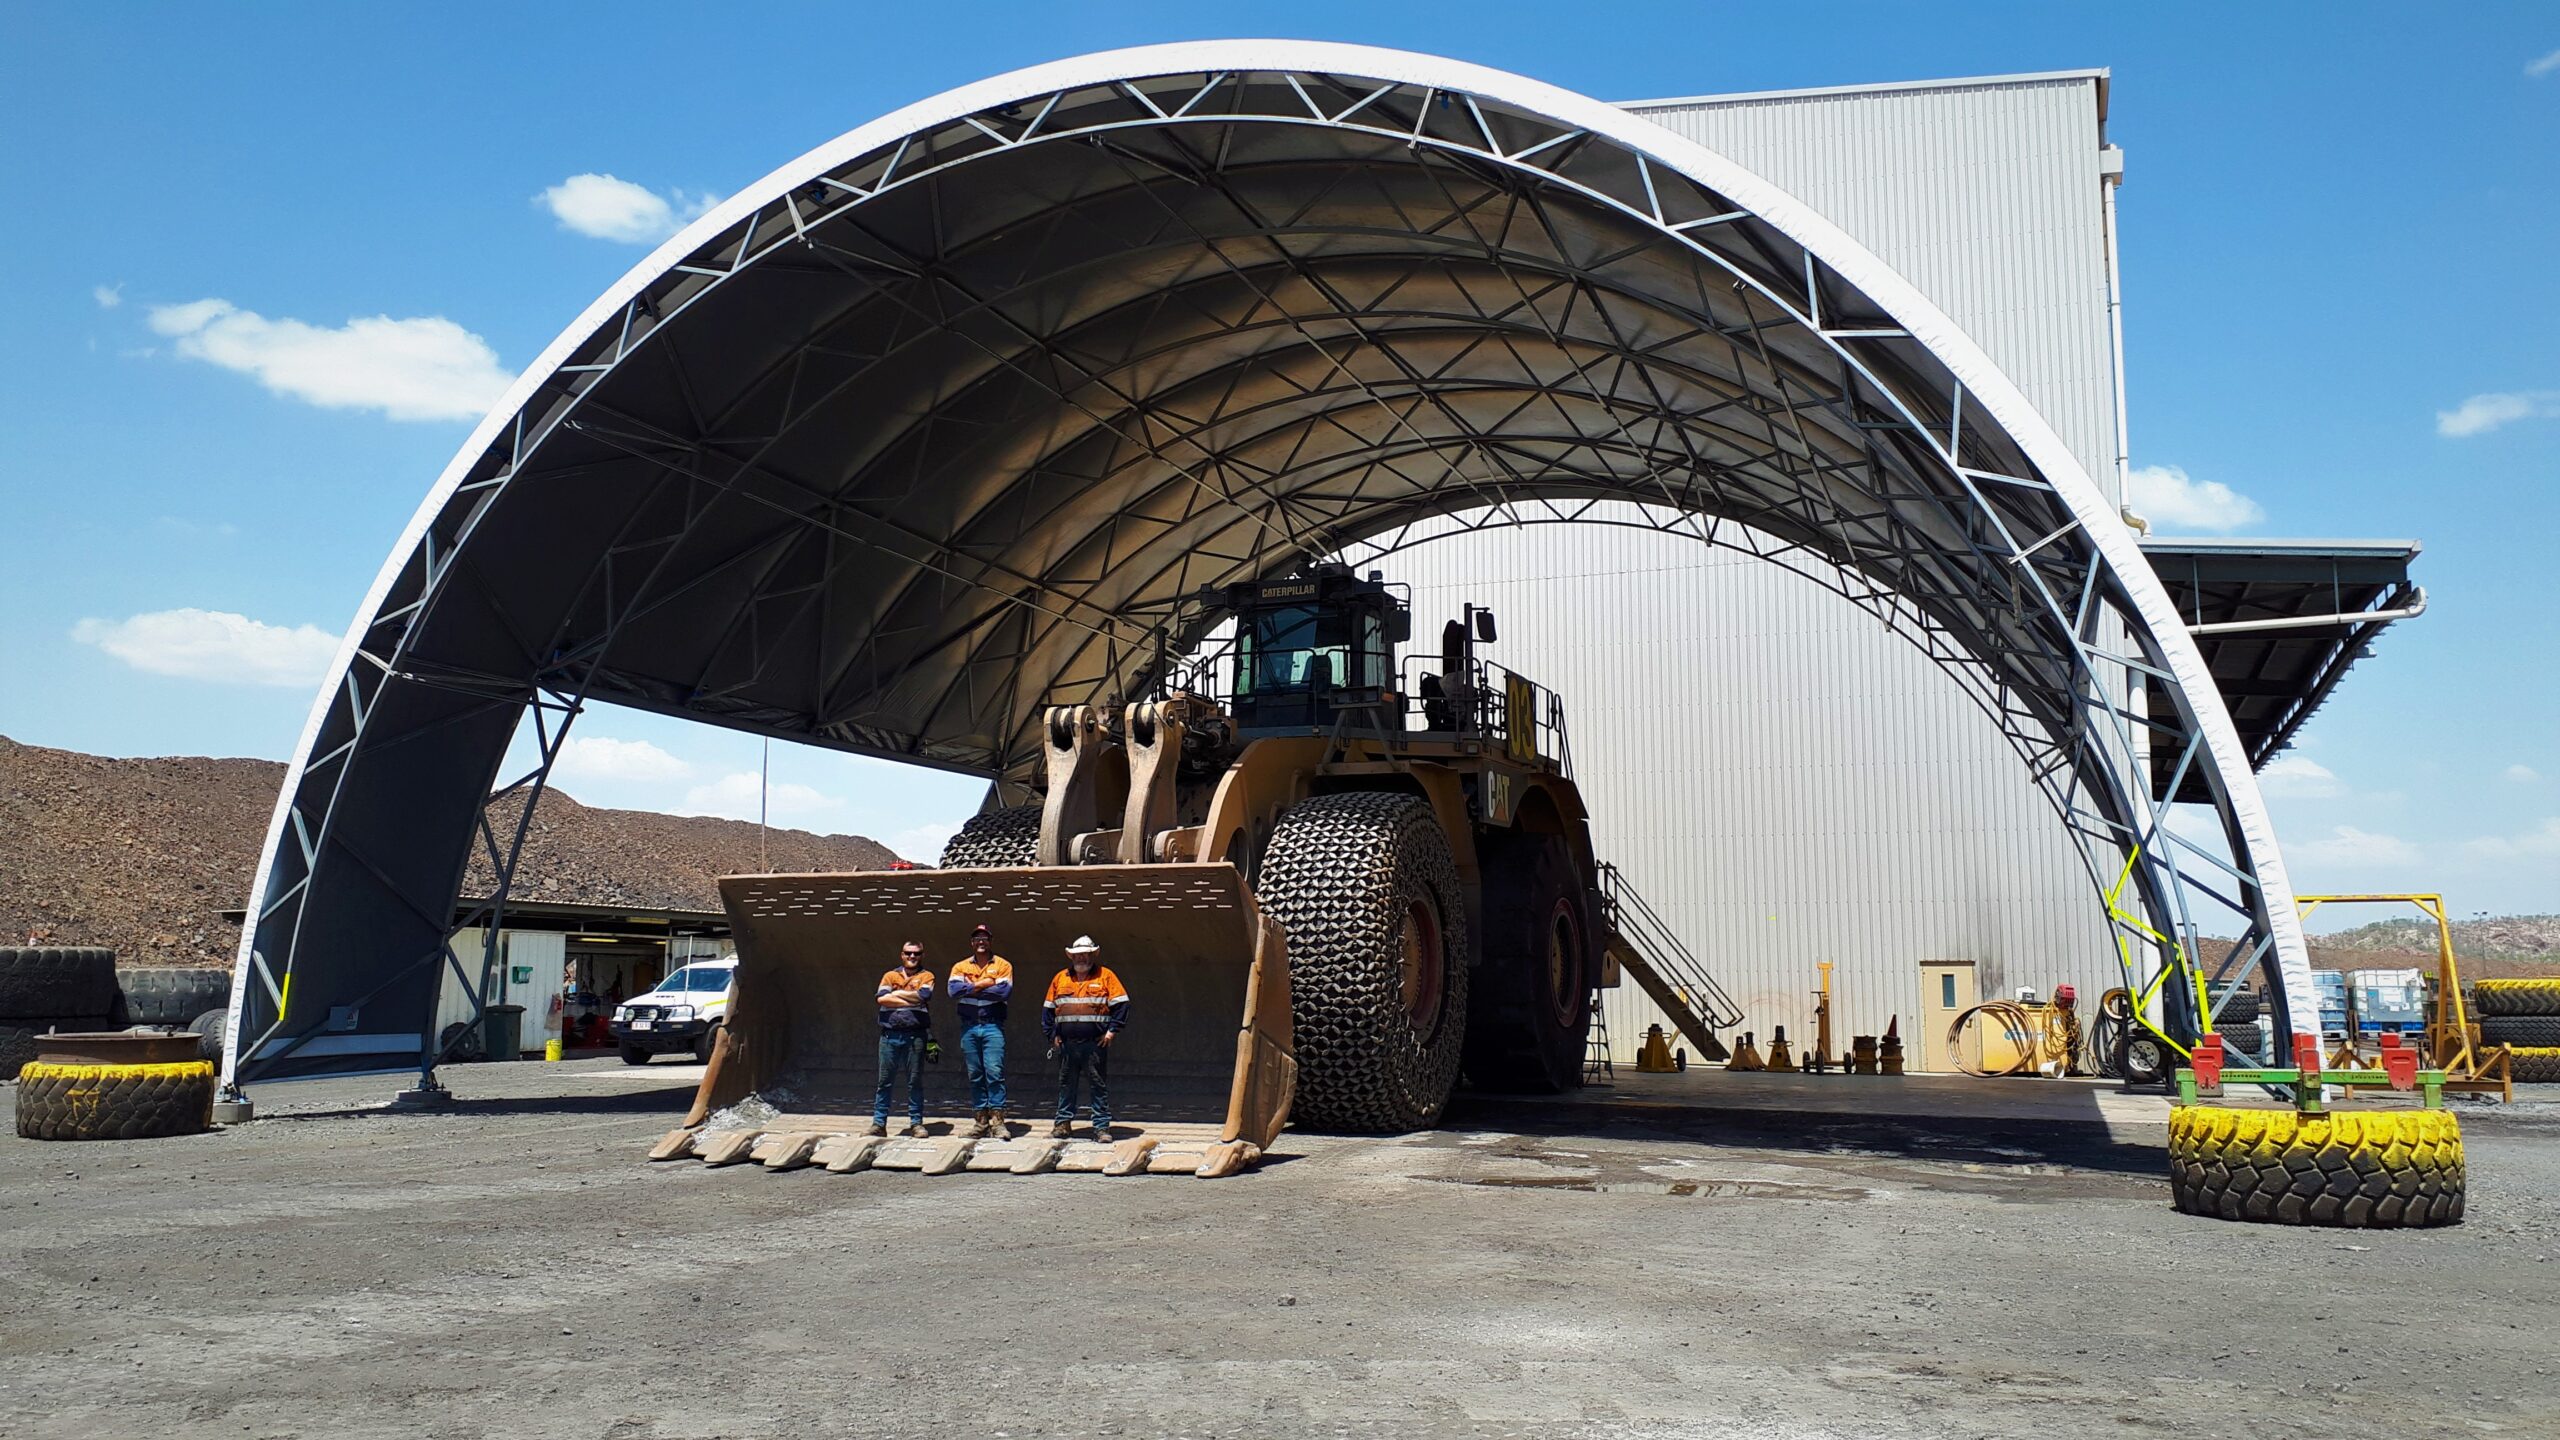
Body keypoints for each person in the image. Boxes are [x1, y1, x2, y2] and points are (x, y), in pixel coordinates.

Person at [1042, 935, 1129, 1142]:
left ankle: (1101, 1128)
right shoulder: (1060, 978)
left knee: (1098, 1085)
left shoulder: (1106, 976)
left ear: (1092, 955)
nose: (1082, 958)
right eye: (1078, 955)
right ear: (1072, 957)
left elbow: (1122, 1004)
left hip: (1094, 1043)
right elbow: (1048, 1010)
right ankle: (1063, 1124)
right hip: (1067, 1044)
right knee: (1066, 1084)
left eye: (1086, 954)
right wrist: (1052, 1035)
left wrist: (1111, 1032)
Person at [947, 923, 1015, 1138]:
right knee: (975, 1074)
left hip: (992, 1025)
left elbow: (1002, 992)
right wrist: (985, 983)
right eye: (977, 938)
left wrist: (971, 987)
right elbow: (953, 990)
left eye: (985, 938)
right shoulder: (960, 966)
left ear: (990, 941)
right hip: (969, 1027)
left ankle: (998, 1122)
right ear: (971, 943)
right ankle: (980, 1122)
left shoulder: (1003, 965)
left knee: (994, 1072)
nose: (981, 942)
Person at [869, 940, 934, 1138]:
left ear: (922, 955)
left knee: (914, 1080)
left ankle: (916, 1123)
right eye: (908, 953)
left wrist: (895, 994)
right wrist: (909, 998)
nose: (912, 957)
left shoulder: (927, 976)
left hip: (915, 1036)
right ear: (902, 955)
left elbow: (923, 996)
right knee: (884, 1081)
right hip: (890, 1036)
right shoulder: (890, 975)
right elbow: (881, 998)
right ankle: (879, 1123)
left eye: (916, 953)